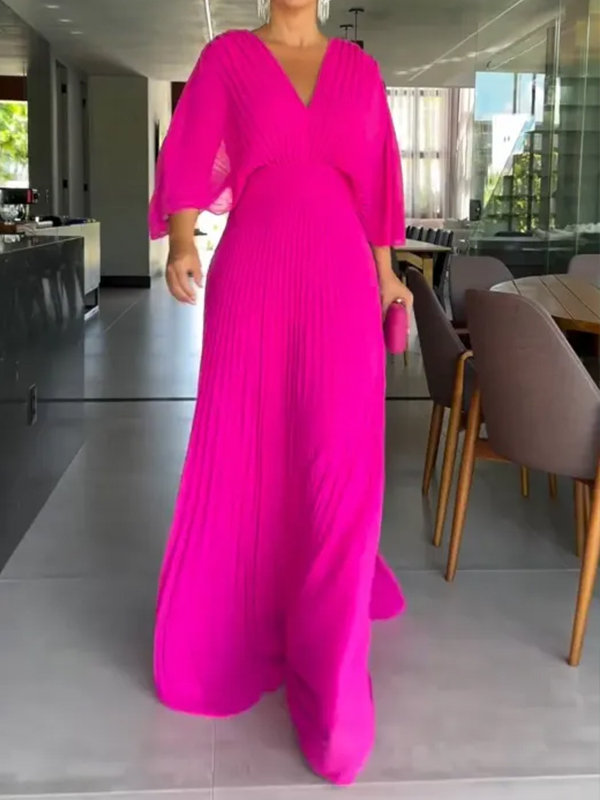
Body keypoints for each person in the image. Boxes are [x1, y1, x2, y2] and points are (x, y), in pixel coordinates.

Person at [149, 0, 412, 785]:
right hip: (254, 276)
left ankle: (335, 681)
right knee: (249, 452)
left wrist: (387, 275)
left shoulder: (359, 72)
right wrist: (184, 239)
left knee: (340, 465)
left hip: (342, 281)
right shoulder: (229, 58)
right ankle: (239, 615)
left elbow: (378, 182)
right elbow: (191, 148)